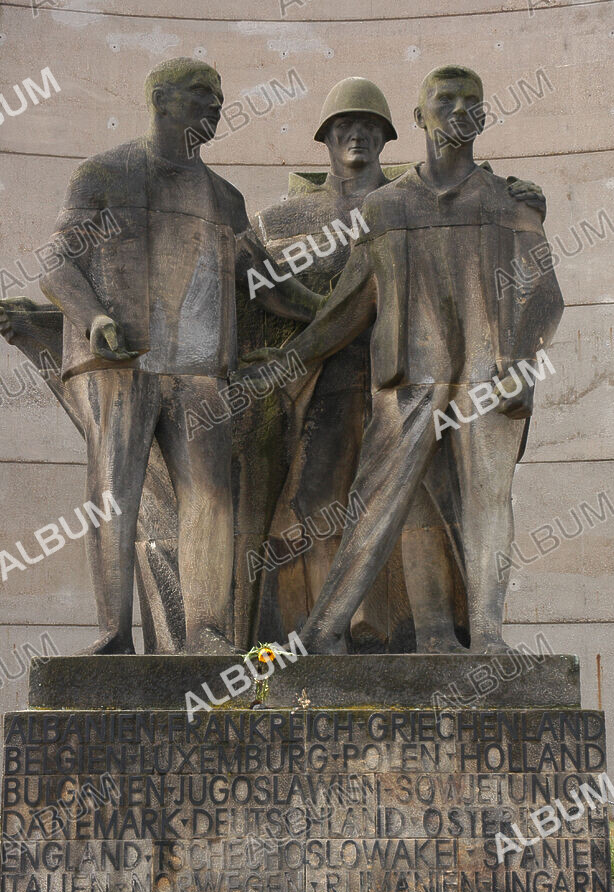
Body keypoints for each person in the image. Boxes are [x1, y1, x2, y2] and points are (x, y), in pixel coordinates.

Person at [244, 65, 564, 655]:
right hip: (408, 379)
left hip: (488, 379)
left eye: (472, 100)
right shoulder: (387, 208)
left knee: (486, 501)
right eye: (445, 99)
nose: (459, 109)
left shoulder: (506, 201)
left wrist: (521, 362)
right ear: (421, 116)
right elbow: (348, 309)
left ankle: (489, 635)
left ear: (485, 115)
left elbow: (543, 294)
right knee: (377, 502)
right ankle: (323, 629)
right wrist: (288, 360)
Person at [39, 58, 322, 655]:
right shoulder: (105, 174)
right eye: (201, 93)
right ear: (160, 100)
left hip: (197, 372)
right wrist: (95, 319)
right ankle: (113, 635)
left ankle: (207, 633)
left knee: (210, 500)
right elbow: (56, 263)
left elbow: (267, 280)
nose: (215, 105)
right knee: (115, 493)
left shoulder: (224, 196)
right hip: (119, 364)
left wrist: (339, 307)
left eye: (219, 96)